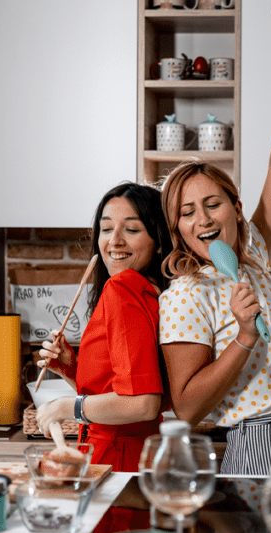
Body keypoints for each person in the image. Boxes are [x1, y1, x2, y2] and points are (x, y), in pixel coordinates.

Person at [158, 14, 271, 475]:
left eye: (212, 203)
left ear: (236, 209)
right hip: (260, 443)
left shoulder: (254, 255)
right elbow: (187, 409)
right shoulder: (186, 296)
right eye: (187, 212)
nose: (202, 219)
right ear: (178, 230)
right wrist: (244, 336)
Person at [35, 182, 173, 472]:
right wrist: (70, 368)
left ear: (158, 240)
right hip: (137, 452)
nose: (115, 241)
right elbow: (124, 390)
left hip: (116, 455)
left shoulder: (122, 288)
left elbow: (142, 403)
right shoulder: (149, 291)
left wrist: (65, 407)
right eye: (107, 229)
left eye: (131, 230)